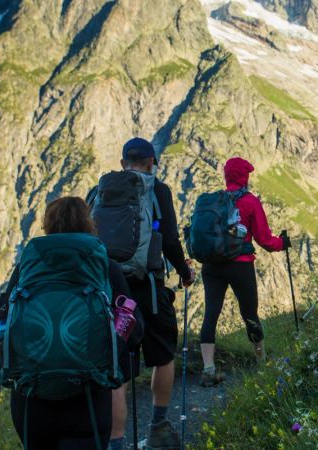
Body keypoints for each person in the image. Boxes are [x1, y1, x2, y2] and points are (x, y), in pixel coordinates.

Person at [0, 197, 143, 450]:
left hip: (31, 398)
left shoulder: (27, 269)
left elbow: (2, 318)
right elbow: (135, 329)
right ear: (89, 224)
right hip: (88, 397)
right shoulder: (105, 267)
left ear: (48, 225)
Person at [89, 138, 196, 450]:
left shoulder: (101, 191)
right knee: (163, 355)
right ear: (152, 162)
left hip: (109, 290)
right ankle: (159, 427)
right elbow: (171, 240)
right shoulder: (157, 191)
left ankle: (116, 444)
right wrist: (184, 271)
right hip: (148, 289)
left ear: (123, 162)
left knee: (117, 371)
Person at [198, 157, 289, 387]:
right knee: (250, 313)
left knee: (211, 315)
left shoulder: (214, 201)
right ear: (244, 178)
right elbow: (265, 240)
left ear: (226, 176)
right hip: (240, 265)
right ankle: (261, 363)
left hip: (212, 266)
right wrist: (283, 243)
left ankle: (208, 368)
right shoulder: (249, 201)